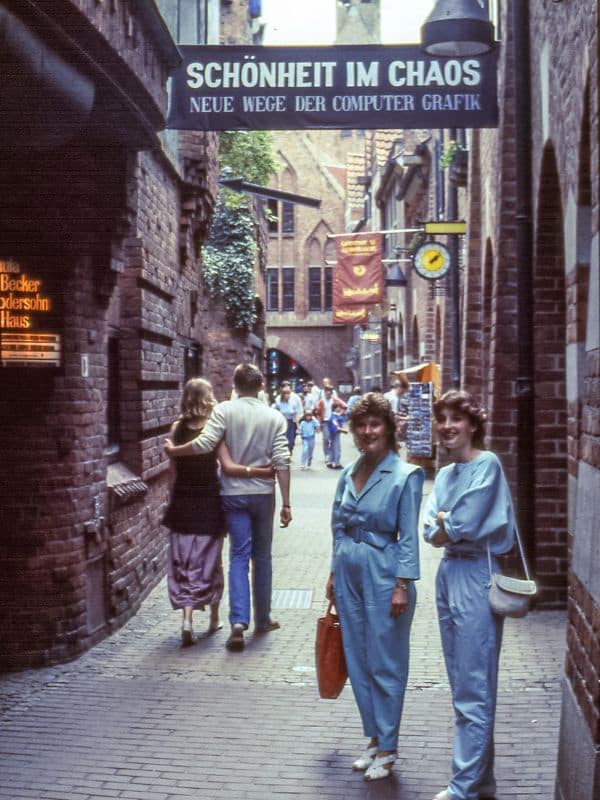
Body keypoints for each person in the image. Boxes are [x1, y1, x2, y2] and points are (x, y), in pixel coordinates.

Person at [422, 389, 516, 800]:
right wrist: (446, 522)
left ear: (473, 424)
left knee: (473, 684)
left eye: (455, 419)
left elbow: (464, 521)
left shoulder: (487, 465)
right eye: (441, 419)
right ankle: (483, 780)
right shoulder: (444, 475)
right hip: (448, 574)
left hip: (477, 572)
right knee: (463, 681)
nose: (447, 427)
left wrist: (447, 521)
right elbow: (431, 530)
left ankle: (461, 786)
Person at [325, 393, 424, 781]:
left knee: (386, 660)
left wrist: (402, 584)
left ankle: (389, 746)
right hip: (349, 570)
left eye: (375, 424)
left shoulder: (405, 475)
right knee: (358, 657)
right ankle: (374, 737)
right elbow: (337, 525)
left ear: (388, 427)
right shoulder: (348, 472)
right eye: (361, 425)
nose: (367, 432)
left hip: (384, 574)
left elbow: (409, 536)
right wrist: (333, 573)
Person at [164, 364, 292, 653]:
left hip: (233, 494)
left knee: (238, 555)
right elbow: (282, 460)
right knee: (263, 557)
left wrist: (175, 451)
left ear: (235, 386)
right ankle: (263, 617)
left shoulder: (224, 411)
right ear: (261, 387)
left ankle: (238, 622)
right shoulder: (274, 416)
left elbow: (204, 443)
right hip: (262, 494)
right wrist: (286, 502)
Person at [316, 385, 347, 466]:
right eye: (326, 391)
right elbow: (318, 412)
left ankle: (332, 458)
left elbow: (344, 406)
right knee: (326, 439)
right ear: (324, 392)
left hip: (334, 421)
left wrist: (340, 413)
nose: (328, 392)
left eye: (330, 391)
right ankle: (327, 455)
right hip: (326, 421)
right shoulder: (321, 401)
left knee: (334, 440)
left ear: (331, 392)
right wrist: (319, 423)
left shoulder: (335, 400)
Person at [274, 385, 300, 455]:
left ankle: (290, 451)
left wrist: (298, 427)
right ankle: (284, 454)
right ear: (283, 394)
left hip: (291, 423)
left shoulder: (293, 403)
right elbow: (275, 412)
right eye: (286, 393)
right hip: (282, 423)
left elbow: (295, 415)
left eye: (289, 393)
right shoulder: (278, 402)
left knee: (291, 441)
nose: (287, 395)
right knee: (282, 440)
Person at [384, 376, 410, 442]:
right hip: (391, 428)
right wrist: (407, 418)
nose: (404, 393)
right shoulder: (395, 399)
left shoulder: (386, 395)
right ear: (399, 388)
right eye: (404, 391)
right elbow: (394, 416)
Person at [327, 400, 348, 469]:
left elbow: (343, 418)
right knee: (336, 448)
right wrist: (344, 430)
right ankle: (336, 463)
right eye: (338, 407)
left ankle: (330, 461)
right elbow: (336, 426)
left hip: (333, 433)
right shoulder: (334, 417)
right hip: (335, 433)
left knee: (332, 447)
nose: (340, 409)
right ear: (335, 408)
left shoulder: (335, 416)